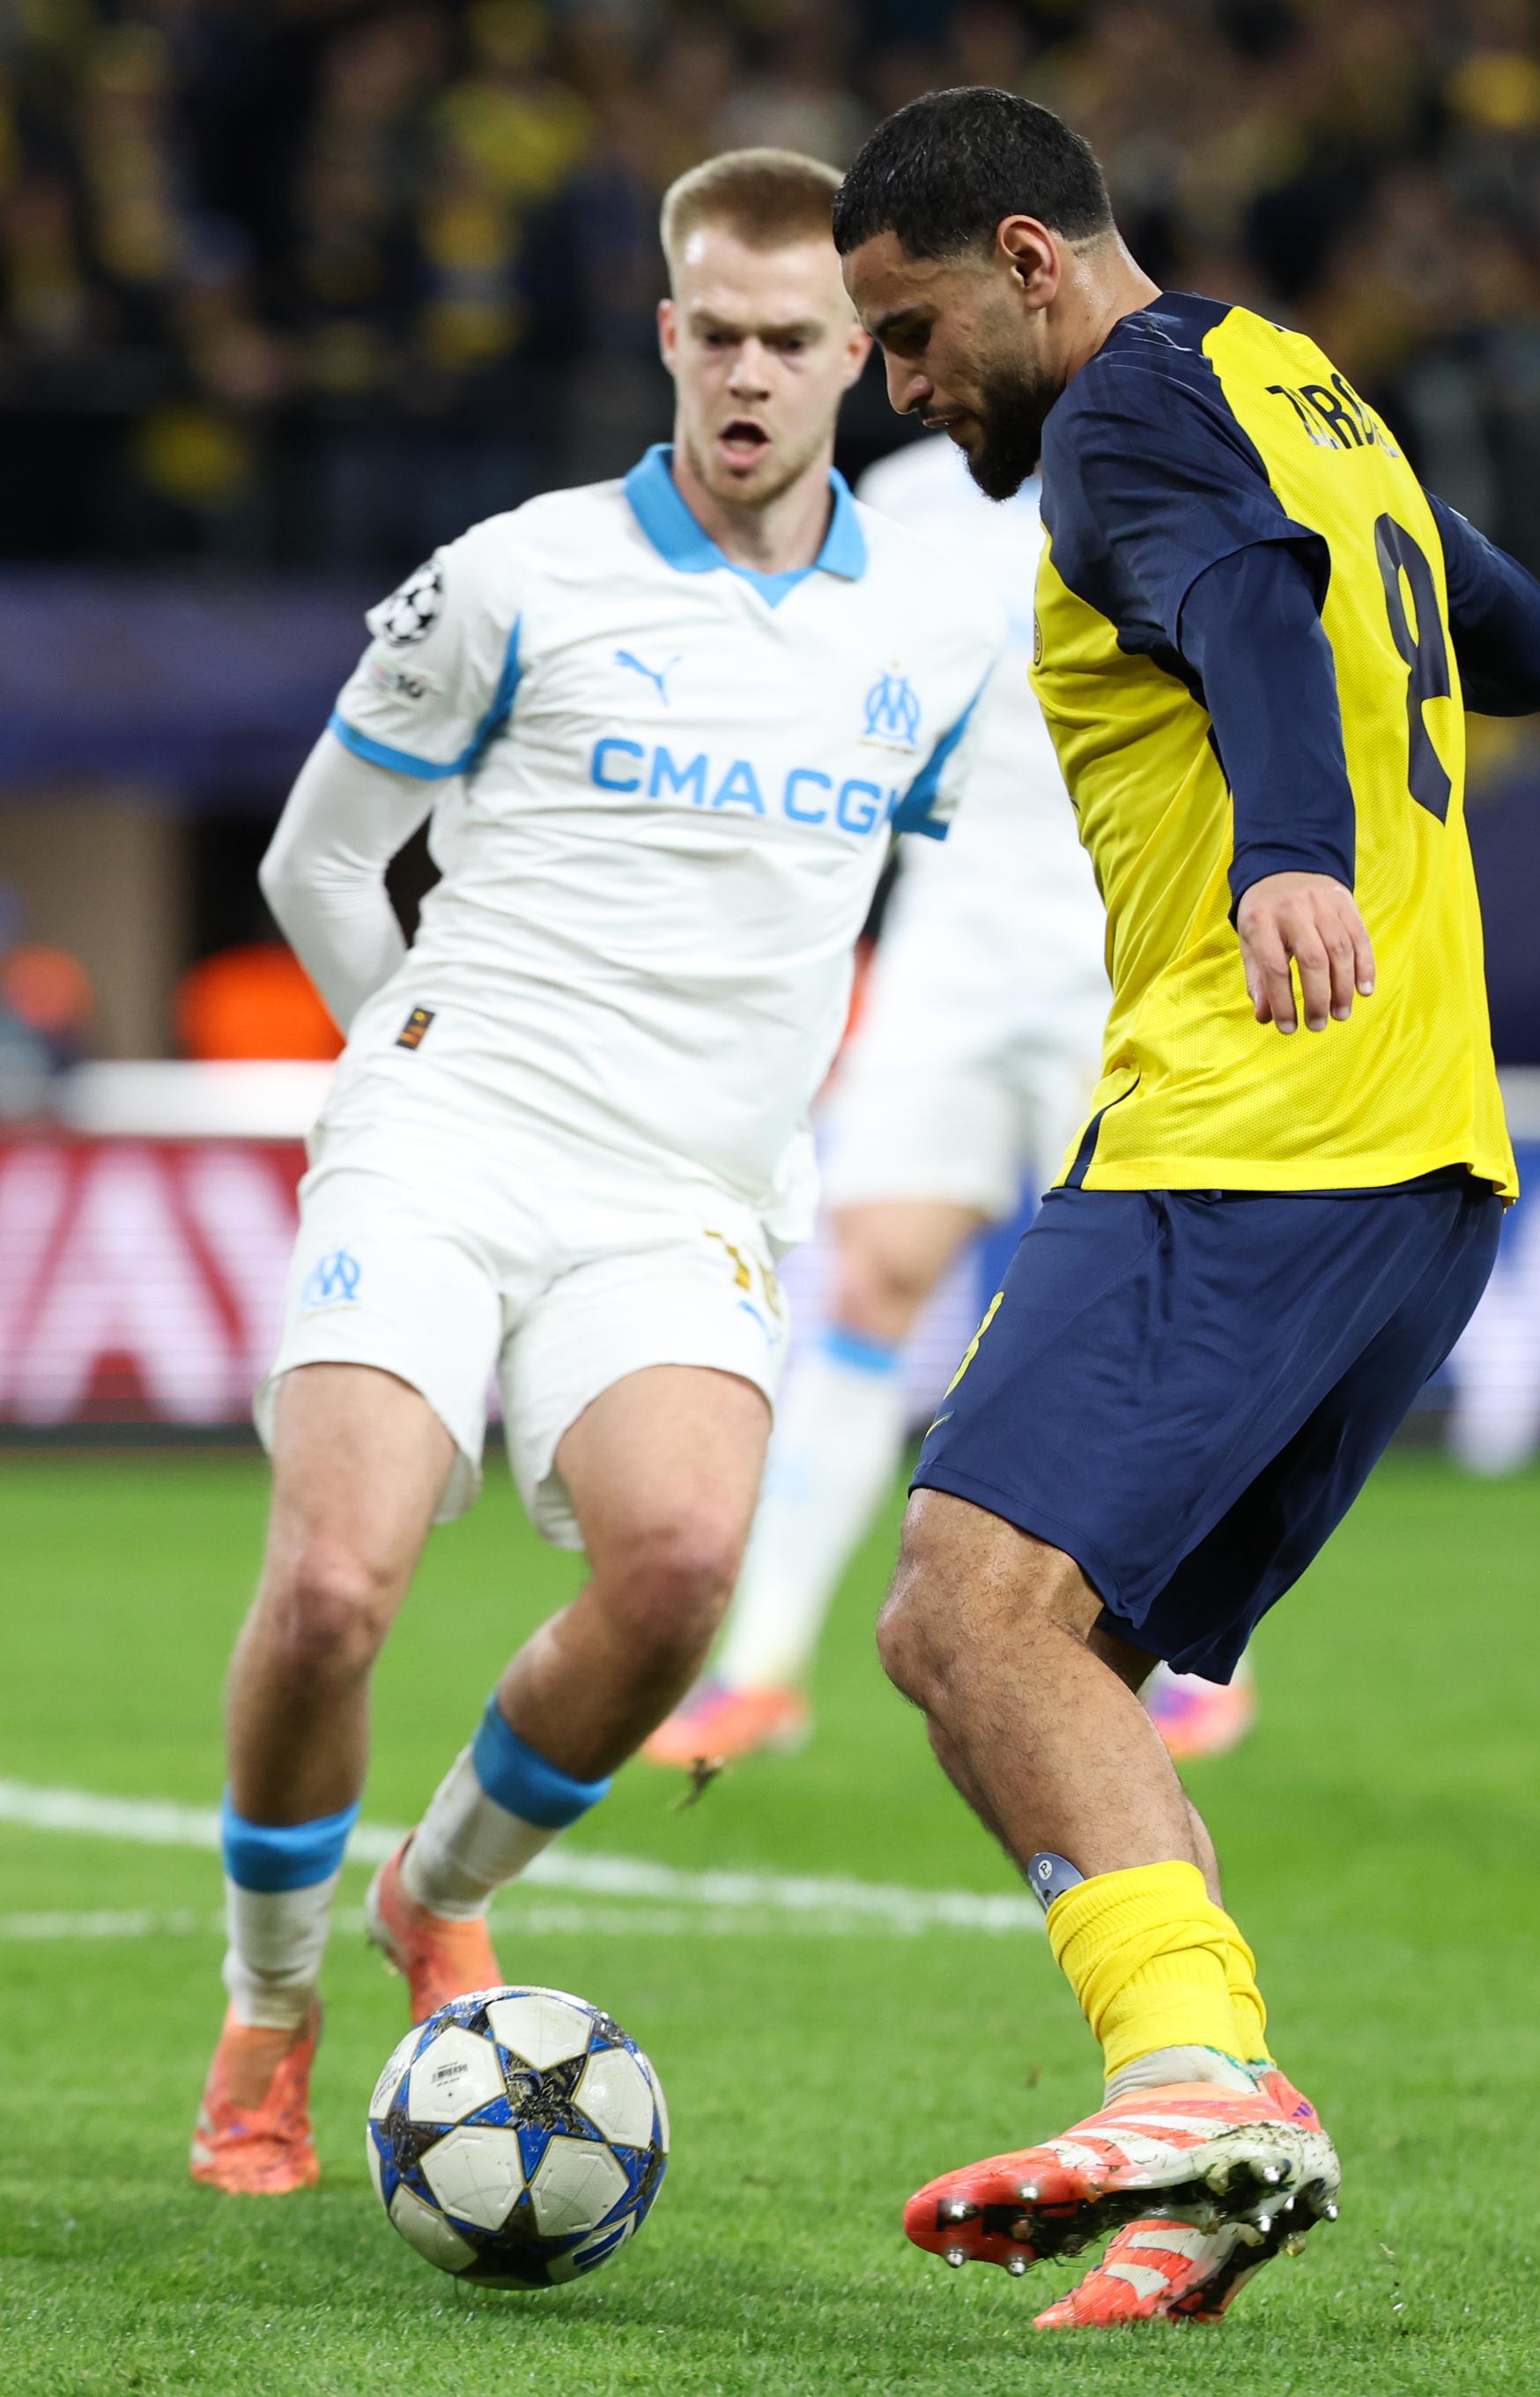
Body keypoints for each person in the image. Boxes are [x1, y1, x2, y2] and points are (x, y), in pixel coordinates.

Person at [833, 87, 1540, 2327]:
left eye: (908, 329)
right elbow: (1532, 639)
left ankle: (1188, 2076)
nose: (903, 383)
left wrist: (1285, 841)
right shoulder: (1297, 385)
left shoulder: (1130, 424)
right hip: (1418, 1156)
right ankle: (1220, 2125)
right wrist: (1377, 627)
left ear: (1030, 258)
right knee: (998, 1645)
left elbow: (1249, 599)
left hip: (1260, 1122)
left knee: (972, 1612)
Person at [191, 145, 1001, 2198]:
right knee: (337, 1582)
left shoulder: (925, 637)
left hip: (685, 1196)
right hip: (450, 1137)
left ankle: (431, 1892)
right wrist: (405, 1064)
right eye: (714, 335)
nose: (748, 376)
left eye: (793, 342)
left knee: (674, 1580)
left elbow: (963, 874)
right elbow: (314, 858)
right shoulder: (517, 572)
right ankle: (269, 2005)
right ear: (668, 332)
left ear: (863, 357)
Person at [645, 430, 1255, 1770]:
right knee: (867, 1280)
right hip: (954, 937)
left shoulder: (1192, 463)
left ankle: (1196, 1651)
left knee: (1134, 1301)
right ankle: (761, 1668)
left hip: (1137, 938)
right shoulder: (912, 497)